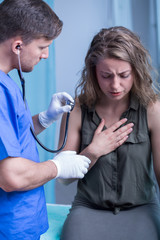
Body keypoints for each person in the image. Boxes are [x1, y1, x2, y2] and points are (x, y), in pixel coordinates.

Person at [0, 0, 92, 239]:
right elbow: (10, 176)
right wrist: (58, 167)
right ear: (18, 46)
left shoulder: (6, 83)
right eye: (42, 46)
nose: (46, 55)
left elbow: (10, 138)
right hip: (9, 227)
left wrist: (44, 119)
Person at [58, 26, 160, 240]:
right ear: (94, 72)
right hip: (88, 208)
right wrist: (94, 151)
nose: (115, 85)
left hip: (140, 209)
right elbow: (64, 179)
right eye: (106, 76)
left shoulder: (152, 108)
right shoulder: (76, 109)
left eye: (124, 75)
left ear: (137, 71)